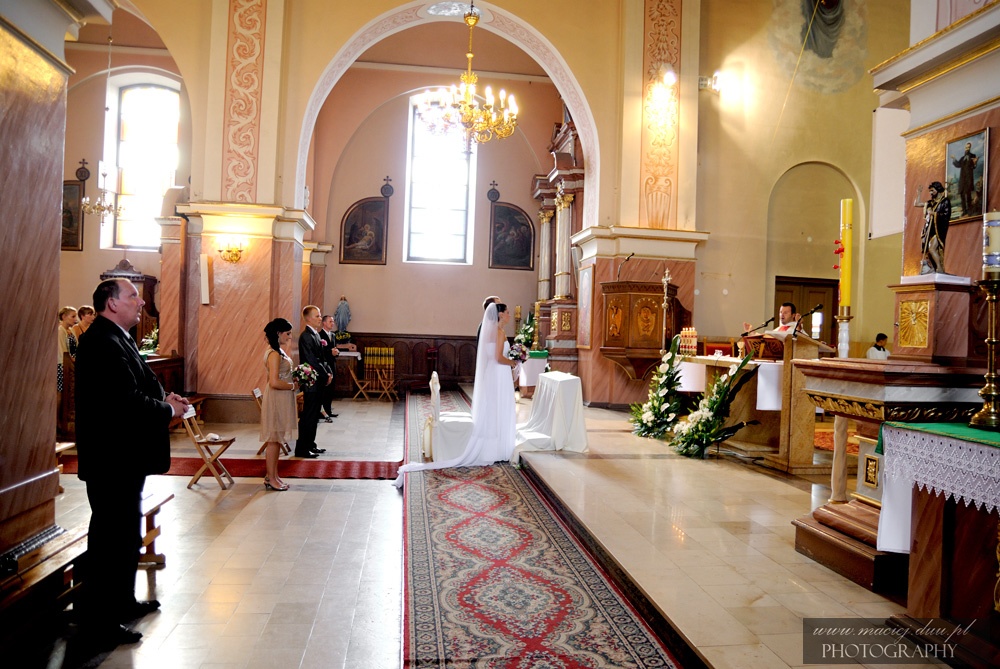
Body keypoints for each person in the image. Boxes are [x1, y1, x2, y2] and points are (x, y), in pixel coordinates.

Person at [74, 279, 190, 648]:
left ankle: (122, 601)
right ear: (111, 303)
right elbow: (122, 402)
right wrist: (167, 409)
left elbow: (139, 385)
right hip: (111, 459)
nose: (141, 302)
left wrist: (165, 397)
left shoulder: (118, 337)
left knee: (125, 535)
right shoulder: (101, 342)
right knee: (110, 539)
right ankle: (100, 622)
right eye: (133, 296)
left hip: (124, 457)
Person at [394, 302, 517, 487]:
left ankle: (496, 445)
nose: (509, 315)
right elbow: (498, 358)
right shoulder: (498, 333)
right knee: (498, 408)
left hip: (496, 374)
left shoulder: (493, 332)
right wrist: (514, 362)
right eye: (507, 312)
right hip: (499, 373)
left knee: (496, 408)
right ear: (500, 315)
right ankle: (497, 448)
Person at [260, 318, 297, 490]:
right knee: (273, 440)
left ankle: (274, 476)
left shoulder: (278, 351)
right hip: (276, 397)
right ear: (278, 333)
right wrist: (292, 386)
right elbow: (274, 382)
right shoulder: (274, 354)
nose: (289, 337)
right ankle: (271, 478)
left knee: (277, 440)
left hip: (281, 397)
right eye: (287, 333)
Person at [295, 305, 333, 458]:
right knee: (308, 415)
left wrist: (328, 372)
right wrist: (325, 374)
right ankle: (302, 449)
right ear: (309, 318)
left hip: (318, 380)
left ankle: (311, 444)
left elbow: (322, 358)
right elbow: (311, 360)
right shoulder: (306, 336)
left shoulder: (315, 335)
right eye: (317, 316)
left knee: (314, 415)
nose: (320, 318)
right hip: (311, 382)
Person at [920, 181, 951, 274]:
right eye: (930, 191)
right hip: (930, 229)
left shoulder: (945, 201)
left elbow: (946, 215)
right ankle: (934, 267)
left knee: (932, 249)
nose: (931, 193)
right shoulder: (931, 202)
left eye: (932, 190)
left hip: (939, 229)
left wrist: (934, 213)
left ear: (938, 190)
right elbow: (917, 204)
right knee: (929, 251)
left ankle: (939, 268)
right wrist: (919, 193)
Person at [319, 313, 340, 421]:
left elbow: (334, 348)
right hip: (324, 364)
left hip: (332, 363)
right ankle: (322, 411)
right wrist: (329, 352)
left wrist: (336, 352)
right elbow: (320, 351)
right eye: (330, 321)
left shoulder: (333, 335)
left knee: (331, 388)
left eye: (333, 321)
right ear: (324, 323)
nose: (332, 323)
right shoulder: (320, 335)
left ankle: (328, 410)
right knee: (325, 388)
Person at [951, 141, 978, 217]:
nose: (967, 149)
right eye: (966, 147)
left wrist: (975, 163)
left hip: (968, 179)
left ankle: (969, 210)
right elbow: (958, 165)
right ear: (964, 148)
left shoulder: (973, 156)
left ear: (970, 148)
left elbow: (973, 166)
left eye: (968, 147)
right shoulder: (962, 158)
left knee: (968, 195)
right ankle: (964, 211)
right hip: (962, 180)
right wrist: (954, 159)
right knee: (962, 195)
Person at [57, 306, 78, 393]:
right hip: (63, 365)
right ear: (64, 317)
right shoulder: (60, 331)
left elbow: (76, 346)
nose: (75, 319)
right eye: (73, 317)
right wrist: (72, 361)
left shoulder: (71, 330)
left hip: (73, 362)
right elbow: (62, 351)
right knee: (62, 392)